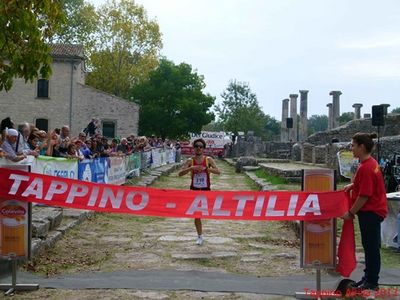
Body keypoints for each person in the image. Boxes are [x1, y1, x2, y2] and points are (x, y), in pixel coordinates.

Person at [342, 132, 388, 291]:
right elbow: (364, 185)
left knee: (371, 247)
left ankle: (372, 282)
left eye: (353, 145)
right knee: (369, 246)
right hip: (373, 211)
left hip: (371, 212)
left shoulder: (367, 167)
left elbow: (365, 196)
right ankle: (368, 277)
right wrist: (352, 185)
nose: (351, 148)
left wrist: (351, 212)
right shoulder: (369, 163)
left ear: (361, 147)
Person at [178, 138, 220, 245]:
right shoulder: (190, 161)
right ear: (194, 148)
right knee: (197, 214)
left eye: (201, 146)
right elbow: (180, 173)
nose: (198, 148)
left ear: (203, 148)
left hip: (206, 189)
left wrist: (206, 169)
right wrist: (191, 168)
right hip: (194, 189)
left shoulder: (208, 160)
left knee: (208, 212)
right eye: (196, 146)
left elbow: (218, 171)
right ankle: (200, 236)